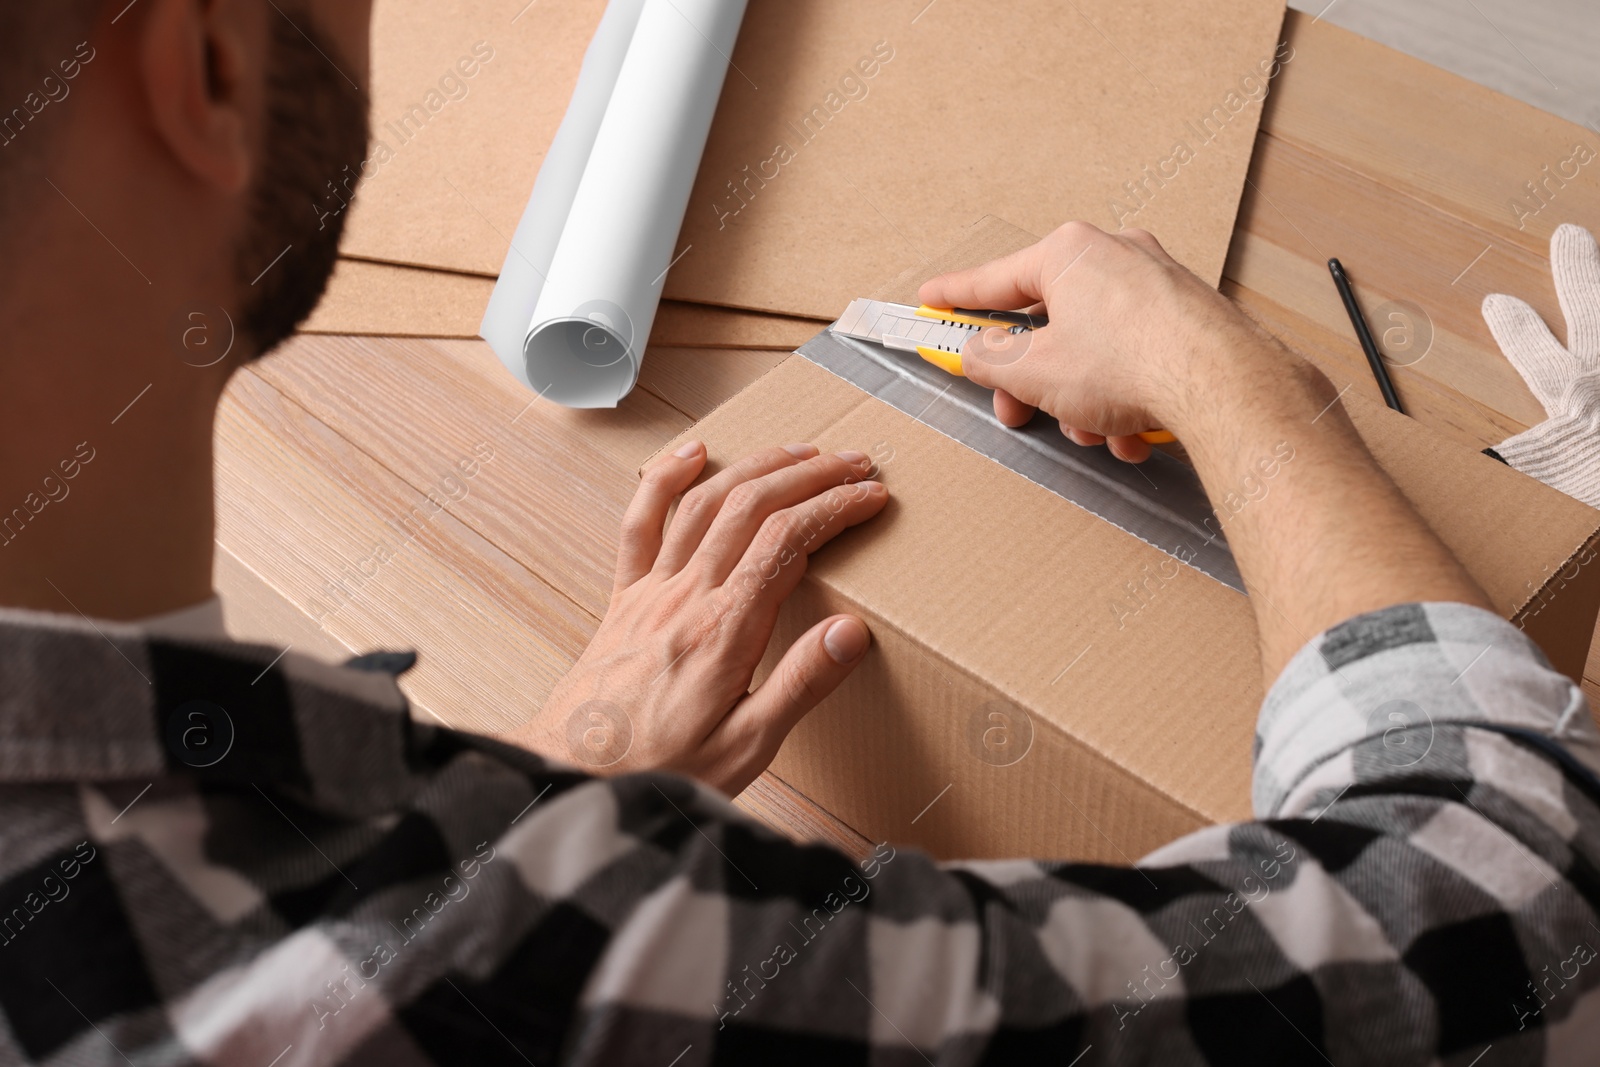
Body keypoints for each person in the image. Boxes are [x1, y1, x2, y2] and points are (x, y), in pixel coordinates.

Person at [1, 2, 1596, 1064]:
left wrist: (515, 811)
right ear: (204, 69)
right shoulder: (524, 976)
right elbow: (1504, 878)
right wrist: (1237, 375)